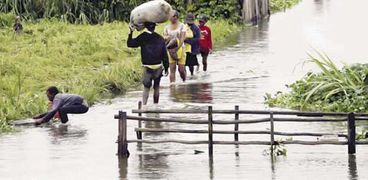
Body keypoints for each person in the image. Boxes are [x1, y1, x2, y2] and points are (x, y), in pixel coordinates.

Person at [127, 22, 169, 105]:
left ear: (145, 27)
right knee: (156, 87)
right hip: (158, 67)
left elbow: (130, 44)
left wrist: (131, 32)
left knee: (146, 88)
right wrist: (166, 67)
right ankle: (156, 107)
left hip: (147, 67)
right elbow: (165, 55)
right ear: (154, 27)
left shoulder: (143, 37)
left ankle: (144, 106)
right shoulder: (160, 38)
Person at [163, 11, 187, 84]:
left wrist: (177, 48)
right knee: (172, 69)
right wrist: (168, 38)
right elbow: (164, 37)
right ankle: (172, 85)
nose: (169, 18)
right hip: (170, 49)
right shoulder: (167, 27)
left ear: (175, 17)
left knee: (181, 69)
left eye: (171, 16)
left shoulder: (182, 26)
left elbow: (182, 38)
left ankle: (184, 81)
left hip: (180, 48)